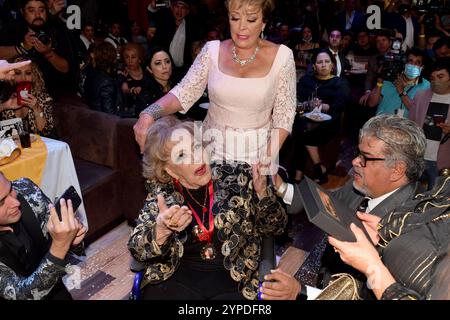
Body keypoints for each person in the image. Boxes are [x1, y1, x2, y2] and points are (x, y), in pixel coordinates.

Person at [263, 115, 426, 299]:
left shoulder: (406, 233)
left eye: (366, 158)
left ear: (397, 170)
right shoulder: (362, 188)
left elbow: (364, 294)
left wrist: (299, 292)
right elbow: (323, 200)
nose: (355, 162)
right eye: (358, 153)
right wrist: (281, 186)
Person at [128, 116, 287, 300]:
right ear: (170, 170)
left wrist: (263, 195)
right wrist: (161, 231)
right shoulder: (163, 196)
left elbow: (277, 227)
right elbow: (136, 248)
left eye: (196, 147)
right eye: (181, 155)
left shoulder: (239, 176)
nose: (196, 157)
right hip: (177, 280)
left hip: (234, 282)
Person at [134, 0, 296, 170]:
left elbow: (283, 117)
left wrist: (265, 161)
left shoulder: (282, 57)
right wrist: (149, 113)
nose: (241, 27)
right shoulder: (211, 50)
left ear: (264, 22)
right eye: (235, 18)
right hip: (209, 152)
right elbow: (184, 92)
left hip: (259, 155)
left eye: (251, 20)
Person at [0, 172, 87, 299]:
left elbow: (64, 250)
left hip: (55, 290)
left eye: (10, 189)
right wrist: (60, 246)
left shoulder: (27, 191)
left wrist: (72, 241)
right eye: (1, 202)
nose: (15, 202)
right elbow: (21, 296)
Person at [294, 49, 350, 184]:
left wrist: (323, 106)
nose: (323, 65)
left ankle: (298, 174)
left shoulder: (339, 83)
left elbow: (340, 104)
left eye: (327, 62)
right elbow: (297, 100)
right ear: (314, 66)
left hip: (329, 122)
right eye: (319, 62)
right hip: (306, 118)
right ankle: (319, 167)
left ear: (332, 65)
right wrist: (308, 104)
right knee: (300, 126)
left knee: (301, 130)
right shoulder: (306, 80)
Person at [0, 0, 78, 92]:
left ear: (47, 11)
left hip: (53, 94)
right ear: (22, 11)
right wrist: (22, 48)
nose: (37, 15)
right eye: (31, 10)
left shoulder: (57, 31)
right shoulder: (12, 29)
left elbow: (66, 68)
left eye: (41, 10)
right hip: (16, 91)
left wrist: (49, 53)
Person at [409, 58, 450, 189]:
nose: (436, 80)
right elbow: (411, 125)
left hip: (443, 160)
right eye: (433, 77)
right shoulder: (420, 96)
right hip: (418, 157)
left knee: (435, 200)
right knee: (410, 197)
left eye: (441, 76)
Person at [0, 56, 56, 138]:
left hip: (39, 147)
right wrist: (5, 106)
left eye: (28, 73)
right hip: (13, 147)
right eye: (18, 73)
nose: (23, 78)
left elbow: (46, 133)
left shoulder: (43, 97)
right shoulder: (5, 95)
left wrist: (37, 109)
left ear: (34, 76)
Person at [367, 47, 430, 118]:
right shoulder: (390, 77)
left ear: (422, 67)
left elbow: (417, 111)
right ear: (405, 63)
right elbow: (371, 103)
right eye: (410, 61)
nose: (413, 65)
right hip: (381, 124)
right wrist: (380, 81)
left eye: (417, 63)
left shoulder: (426, 86)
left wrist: (401, 91)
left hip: (404, 127)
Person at [148, 0, 201, 78]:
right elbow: (152, 13)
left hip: (183, 71)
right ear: (172, 8)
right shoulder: (164, 21)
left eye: (183, 8)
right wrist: (153, 7)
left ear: (187, 11)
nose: (179, 11)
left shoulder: (191, 27)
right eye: (177, 6)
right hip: (162, 68)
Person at [83, 41, 122, 115]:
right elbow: (110, 115)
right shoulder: (107, 82)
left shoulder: (91, 75)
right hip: (103, 122)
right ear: (113, 59)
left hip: (93, 118)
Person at [135, 47, 175, 117]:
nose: (164, 66)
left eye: (167, 61)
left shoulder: (180, 86)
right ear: (149, 69)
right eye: (158, 63)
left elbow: (195, 116)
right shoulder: (146, 94)